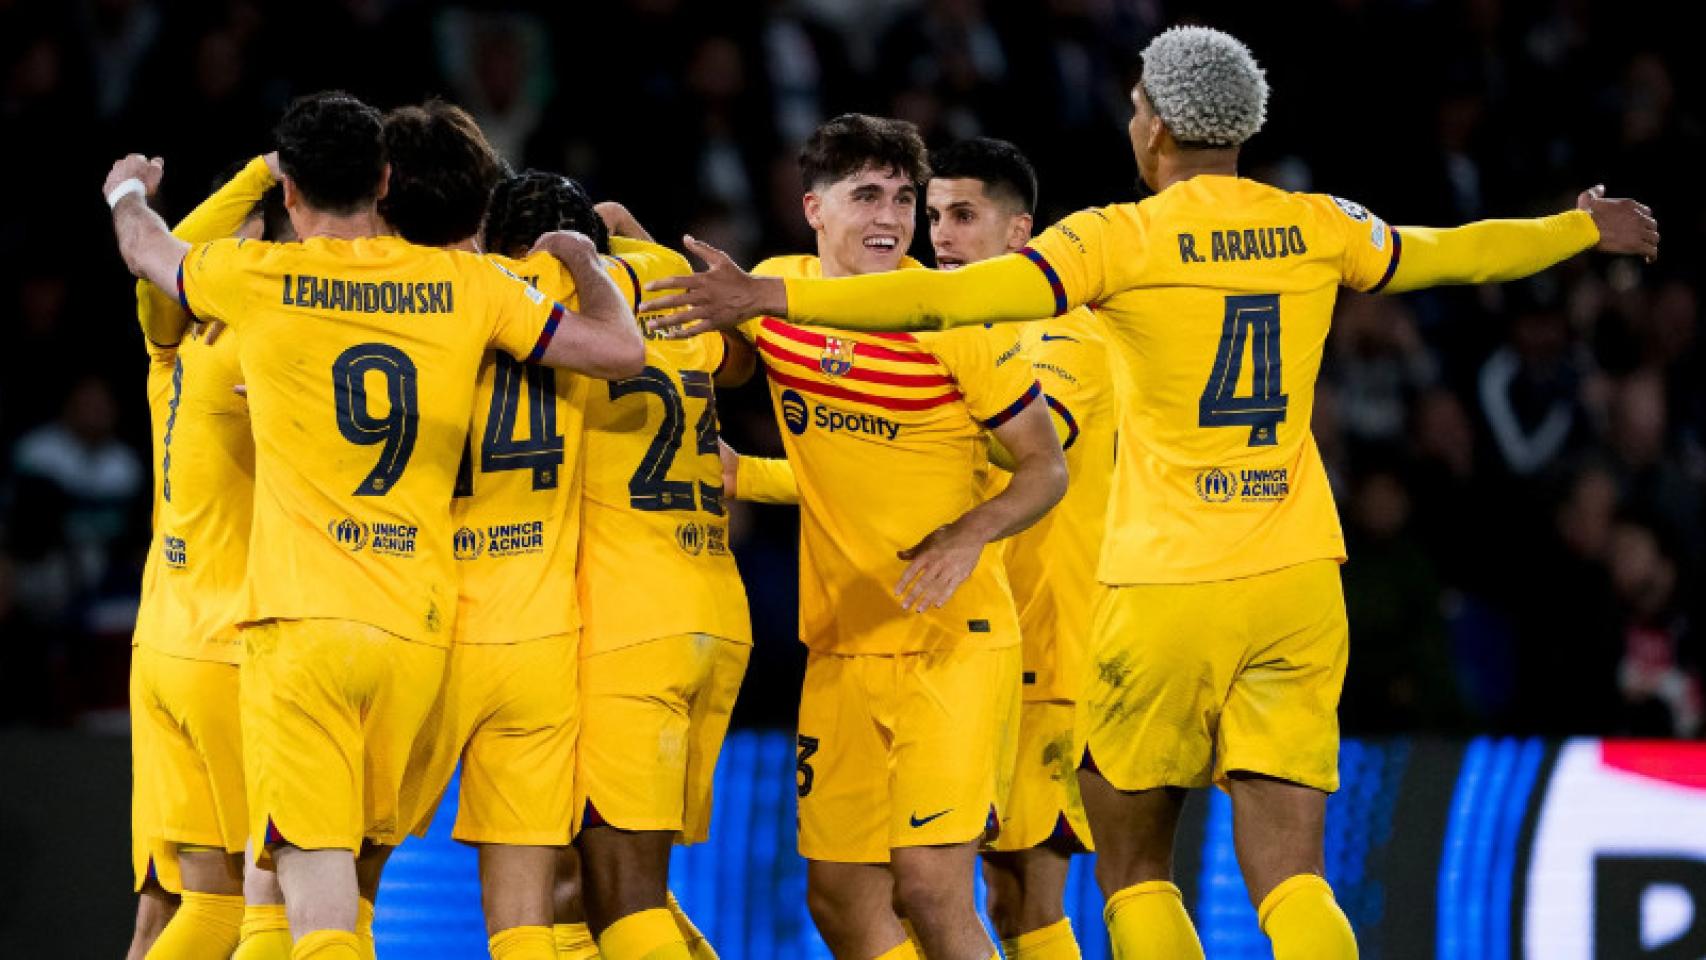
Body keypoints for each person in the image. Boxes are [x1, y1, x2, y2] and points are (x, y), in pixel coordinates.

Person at [639, 26, 1660, 960]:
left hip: (1158, 583)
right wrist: (1575, 230)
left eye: (1134, 107)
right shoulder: (1313, 224)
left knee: (1129, 877)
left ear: (1158, 125)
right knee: (1292, 880)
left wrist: (771, 292)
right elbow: (1453, 252)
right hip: (1297, 572)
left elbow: (947, 297)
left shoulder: (1116, 240)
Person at [104, 90, 643, 960]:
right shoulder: (470, 286)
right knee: (477, 915)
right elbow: (621, 352)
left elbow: (149, 254)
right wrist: (592, 265)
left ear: (288, 195)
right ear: (383, 179)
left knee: (301, 910)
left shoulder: (255, 287)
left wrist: (128, 193)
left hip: (293, 630)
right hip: (422, 632)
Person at [724, 113, 1067, 960]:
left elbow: (1044, 468)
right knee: (839, 901)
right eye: (866, 195)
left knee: (928, 884)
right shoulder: (779, 291)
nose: (891, 217)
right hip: (842, 647)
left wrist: (964, 537)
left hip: (953, 642)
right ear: (814, 208)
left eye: (905, 198)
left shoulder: (952, 320)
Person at [483, 178, 756, 960]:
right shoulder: (663, 293)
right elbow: (738, 361)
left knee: (622, 904)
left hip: (626, 629)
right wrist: (637, 237)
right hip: (711, 615)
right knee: (604, 886)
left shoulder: (536, 295)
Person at [928, 137, 1113, 960]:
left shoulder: (1064, 335)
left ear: (1019, 233)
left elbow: (1034, 451)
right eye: (931, 215)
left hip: (1055, 653)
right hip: (997, 648)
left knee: (1025, 897)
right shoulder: (971, 335)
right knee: (1002, 896)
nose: (940, 234)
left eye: (963, 215)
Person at [125, 154, 286, 960]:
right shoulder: (265, 350)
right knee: (253, 909)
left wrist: (258, 174)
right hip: (230, 654)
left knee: (175, 913)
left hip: (161, 644)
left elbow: (170, 252)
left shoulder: (170, 348)